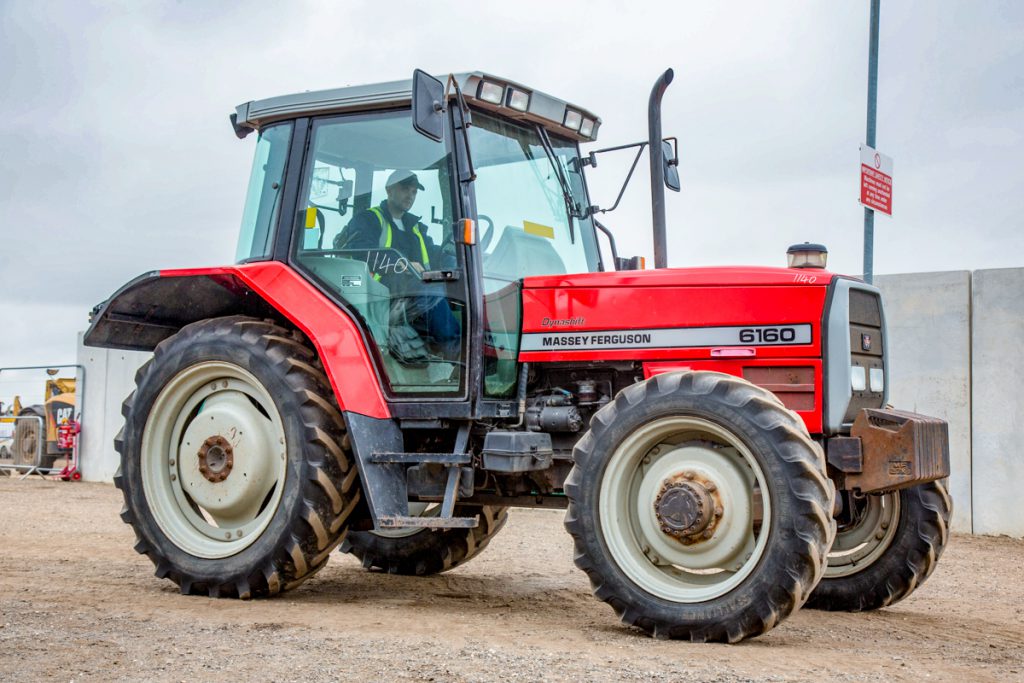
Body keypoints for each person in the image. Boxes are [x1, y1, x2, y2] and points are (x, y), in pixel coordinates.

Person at [334, 170, 459, 364]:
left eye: (414, 191)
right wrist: (400, 264)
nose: (410, 195)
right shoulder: (369, 220)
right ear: (389, 190)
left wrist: (456, 258)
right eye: (405, 189)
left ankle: (481, 352)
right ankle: (458, 355)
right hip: (382, 295)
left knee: (462, 292)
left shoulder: (416, 228)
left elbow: (435, 254)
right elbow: (360, 252)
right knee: (433, 294)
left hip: (413, 292)